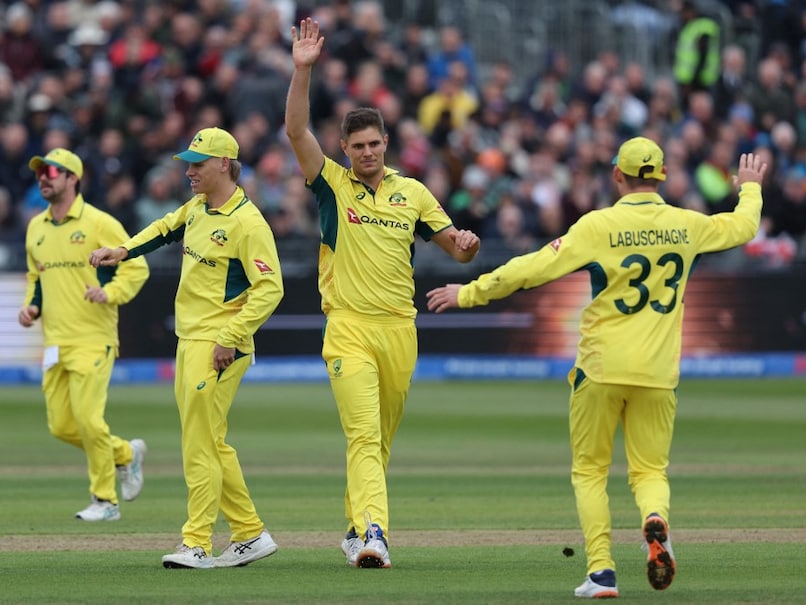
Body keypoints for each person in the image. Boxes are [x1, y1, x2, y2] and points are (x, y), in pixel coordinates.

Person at [426, 137, 766, 597]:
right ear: (662, 176)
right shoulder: (688, 225)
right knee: (649, 472)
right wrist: (749, 188)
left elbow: (531, 268)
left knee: (589, 472)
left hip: (601, 368)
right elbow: (744, 228)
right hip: (658, 373)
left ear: (616, 176)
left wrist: (470, 292)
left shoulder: (598, 226)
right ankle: (654, 519)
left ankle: (602, 572)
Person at [285, 18, 481, 569]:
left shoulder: (412, 192)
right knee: (364, 436)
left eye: (375, 143)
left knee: (379, 443)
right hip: (347, 326)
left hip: (401, 328)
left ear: (386, 144)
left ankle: (355, 526)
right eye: (358, 145)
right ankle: (375, 533)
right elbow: (297, 133)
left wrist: (465, 245)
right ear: (344, 148)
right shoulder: (330, 184)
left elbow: (454, 248)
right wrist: (302, 72)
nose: (367, 152)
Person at [88, 127, 284, 569]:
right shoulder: (198, 207)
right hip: (191, 337)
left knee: (199, 443)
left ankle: (196, 542)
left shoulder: (247, 223)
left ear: (223, 165)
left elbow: (270, 289)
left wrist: (230, 339)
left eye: (197, 163)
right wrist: (124, 249)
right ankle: (250, 533)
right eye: (188, 163)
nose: (188, 171)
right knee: (210, 441)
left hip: (219, 344)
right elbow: (163, 228)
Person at [18, 147, 150, 521]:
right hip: (55, 342)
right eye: (40, 172)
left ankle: (105, 501)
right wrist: (32, 306)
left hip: (93, 337)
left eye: (52, 172)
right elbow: (36, 277)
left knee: (90, 420)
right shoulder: (35, 228)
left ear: (73, 178)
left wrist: (109, 293)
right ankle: (125, 454)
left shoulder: (98, 223)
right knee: (61, 426)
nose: (43, 177)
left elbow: (136, 267)